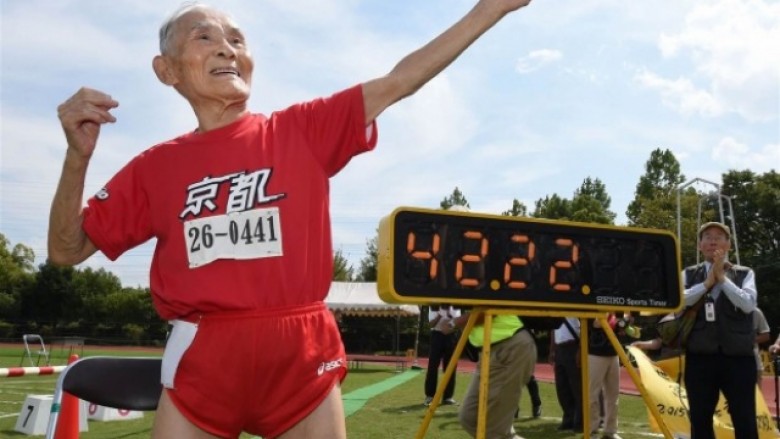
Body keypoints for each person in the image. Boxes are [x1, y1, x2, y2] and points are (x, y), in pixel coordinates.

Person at [47, 1, 535, 438]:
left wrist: (489, 9)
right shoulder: (156, 167)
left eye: (237, 39)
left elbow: (398, 81)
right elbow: (66, 249)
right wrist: (77, 157)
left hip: (302, 353)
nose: (227, 49)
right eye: (205, 38)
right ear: (167, 69)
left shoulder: (300, 130)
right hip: (204, 355)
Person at [682, 222, 758, 439]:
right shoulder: (688, 274)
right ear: (699, 245)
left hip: (739, 358)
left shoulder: (744, 274)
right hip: (700, 357)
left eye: (719, 237)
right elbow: (680, 301)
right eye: (707, 236)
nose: (713, 240)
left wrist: (721, 278)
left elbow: (748, 304)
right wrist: (706, 283)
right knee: (700, 419)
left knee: (745, 418)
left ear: (729, 245)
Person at [448, 310, 537, 439]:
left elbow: (488, 309)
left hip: (509, 348)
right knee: (470, 418)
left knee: (494, 429)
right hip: (490, 352)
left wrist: (453, 322)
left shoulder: (482, 290)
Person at [586, 314, 622, 439]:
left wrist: (625, 323)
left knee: (613, 395)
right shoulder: (591, 308)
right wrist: (611, 314)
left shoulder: (616, 312)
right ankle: (592, 430)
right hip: (595, 355)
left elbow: (621, 331)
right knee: (592, 394)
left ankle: (610, 431)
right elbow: (597, 324)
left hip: (614, 354)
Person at [549, 317, 583, 431]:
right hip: (560, 348)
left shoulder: (574, 304)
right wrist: (552, 350)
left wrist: (580, 349)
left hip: (572, 345)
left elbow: (584, 327)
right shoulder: (555, 309)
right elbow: (553, 330)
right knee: (562, 387)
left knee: (577, 387)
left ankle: (580, 422)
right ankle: (568, 419)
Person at [424, 304, 461, 406]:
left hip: (451, 336)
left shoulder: (455, 306)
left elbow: (458, 322)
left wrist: (449, 315)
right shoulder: (434, 306)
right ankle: (430, 396)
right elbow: (431, 324)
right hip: (437, 335)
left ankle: (448, 397)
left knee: (451, 367)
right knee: (433, 366)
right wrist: (440, 314)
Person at [753, 307, 771, 386]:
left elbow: (766, 335)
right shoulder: (722, 310)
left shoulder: (756, 312)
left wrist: (745, 341)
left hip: (753, 362)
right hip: (728, 363)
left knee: (756, 396)